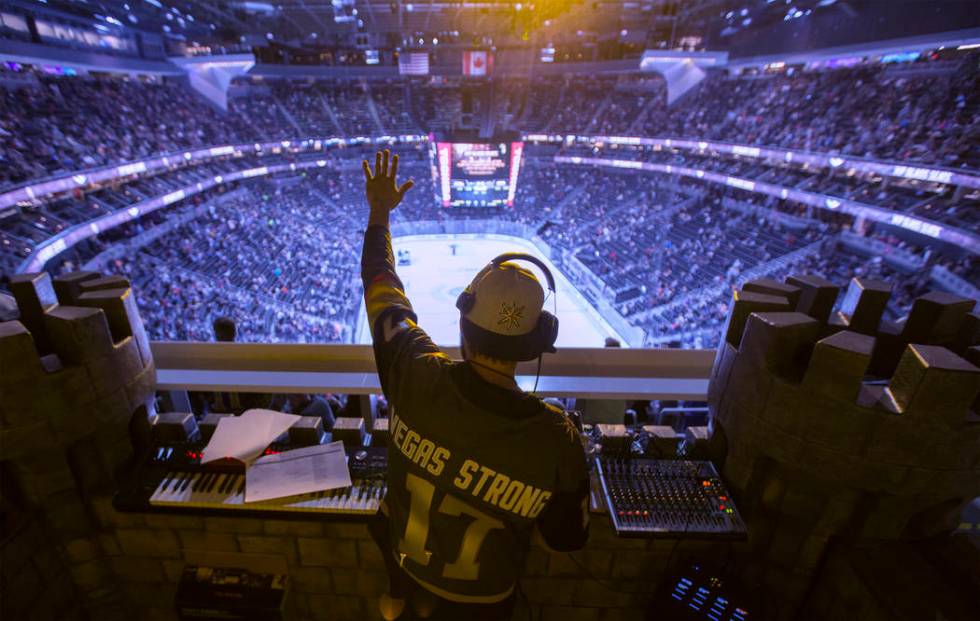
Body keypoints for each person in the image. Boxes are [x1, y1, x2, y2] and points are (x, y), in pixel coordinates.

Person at [360, 150, 590, 620]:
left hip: (406, 587)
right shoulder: (555, 437)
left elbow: (381, 285)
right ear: (538, 343)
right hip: (485, 607)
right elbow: (563, 539)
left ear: (462, 326)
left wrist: (380, 212)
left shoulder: (414, 367)